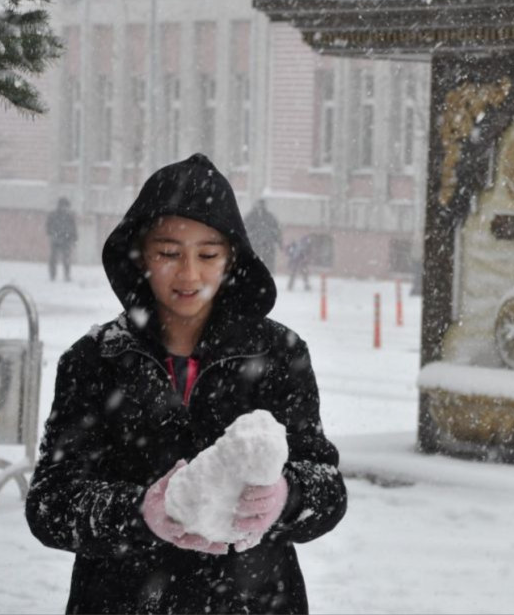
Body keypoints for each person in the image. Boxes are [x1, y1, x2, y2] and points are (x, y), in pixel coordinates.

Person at [25, 153, 347, 614]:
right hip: (123, 600)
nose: (190, 274)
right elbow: (50, 503)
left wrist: (286, 496)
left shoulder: (279, 355)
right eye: (169, 253)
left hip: (252, 599)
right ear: (140, 255)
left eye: (208, 254)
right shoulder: (96, 360)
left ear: (232, 258)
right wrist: (140, 512)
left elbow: (328, 488)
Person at [244, 199, 282, 273]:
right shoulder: (250, 217)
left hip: (268, 245)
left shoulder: (270, 217)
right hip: (254, 245)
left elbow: (276, 230)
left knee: (268, 265)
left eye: (262, 204)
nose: (260, 206)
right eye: (259, 204)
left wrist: (279, 242)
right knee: (254, 264)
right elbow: (244, 229)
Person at [46, 197, 78, 282]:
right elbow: (48, 226)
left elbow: (73, 228)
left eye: (66, 206)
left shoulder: (70, 216)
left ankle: (67, 276)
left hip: (66, 240)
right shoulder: (53, 215)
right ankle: (52, 275)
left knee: (66, 259)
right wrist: (52, 233)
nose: (65, 208)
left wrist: (74, 239)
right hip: (56, 240)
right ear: (59, 205)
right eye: (63, 206)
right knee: (53, 259)